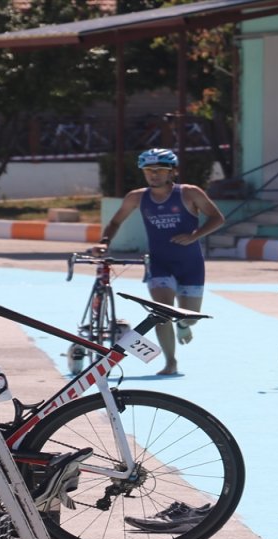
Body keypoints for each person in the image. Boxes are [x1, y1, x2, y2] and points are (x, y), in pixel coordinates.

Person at [94, 148, 225, 376]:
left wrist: (194, 235)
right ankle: (170, 362)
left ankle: (184, 326)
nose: (153, 175)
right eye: (148, 171)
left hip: (190, 264)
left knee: (189, 318)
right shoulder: (136, 197)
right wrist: (105, 242)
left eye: (159, 170)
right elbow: (115, 222)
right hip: (159, 263)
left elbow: (217, 218)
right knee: (162, 313)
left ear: (172, 172)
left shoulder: (190, 193)